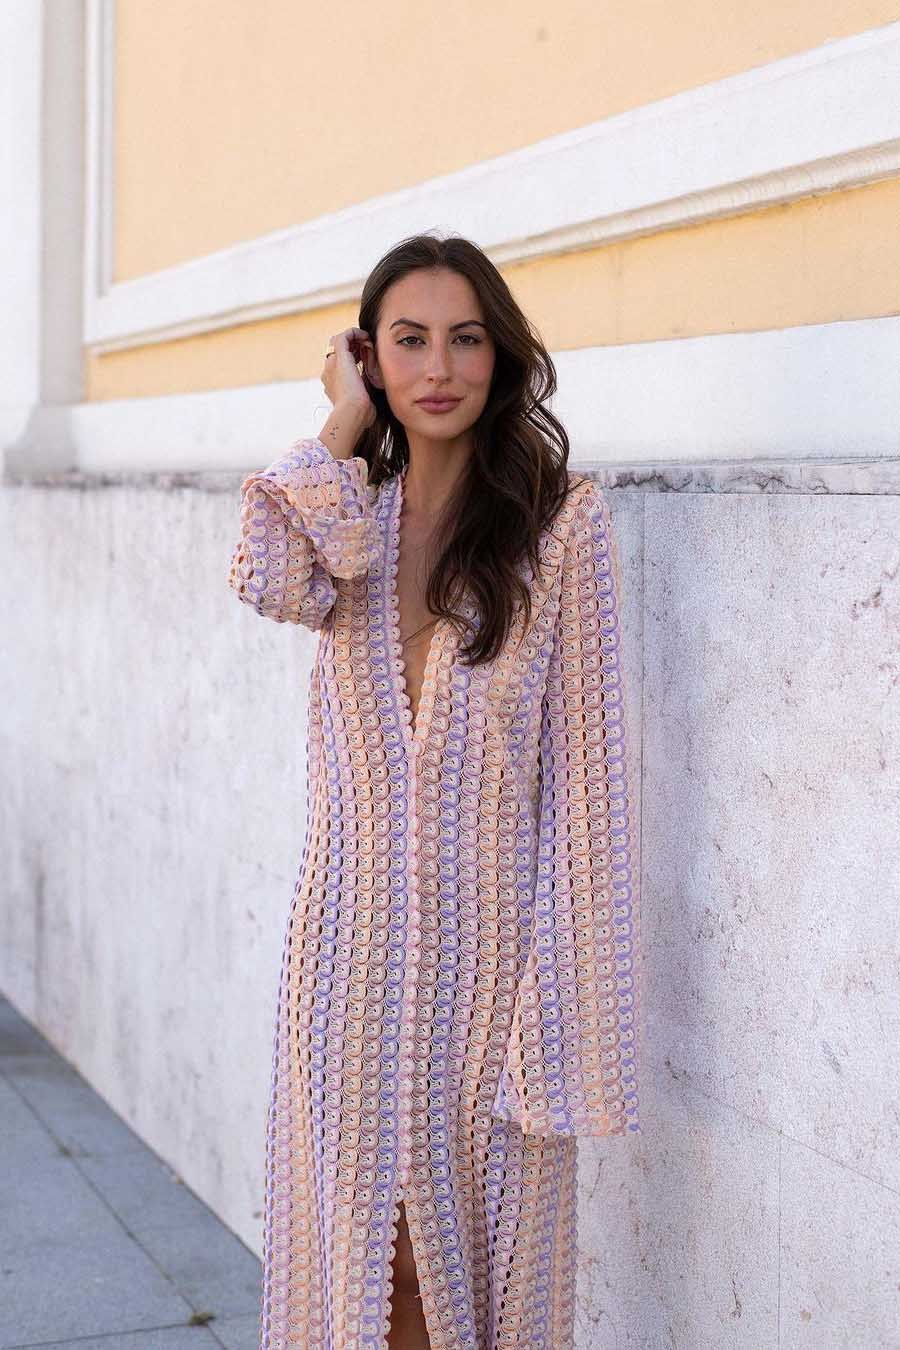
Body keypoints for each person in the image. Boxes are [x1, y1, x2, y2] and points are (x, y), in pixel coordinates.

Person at [228, 232, 641, 1350]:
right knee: (366, 1272)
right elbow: (262, 576)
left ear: (502, 356)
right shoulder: (345, 520)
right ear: (371, 358)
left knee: (462, 1278)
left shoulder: (560, 526)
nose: (441, 367)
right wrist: (341, 421)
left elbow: (591, 788)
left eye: (467, 339)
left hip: (494, 975)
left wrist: (564, 1002)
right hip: (344, 963)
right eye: (408, 341)